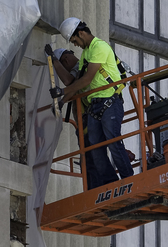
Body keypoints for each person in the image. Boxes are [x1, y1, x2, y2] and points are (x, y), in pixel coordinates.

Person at [52, 17, 134, 189]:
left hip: (110, 101)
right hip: (95, 106)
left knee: (113, 141)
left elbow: (87, 79)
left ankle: (129, 181)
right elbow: (77, 83)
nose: (75, 44)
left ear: (81, 33)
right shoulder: (86, 54)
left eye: (74, 40)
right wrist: (62, 101)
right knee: (95, 149)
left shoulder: (99, 47)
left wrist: (62, 92)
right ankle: (111, 184)